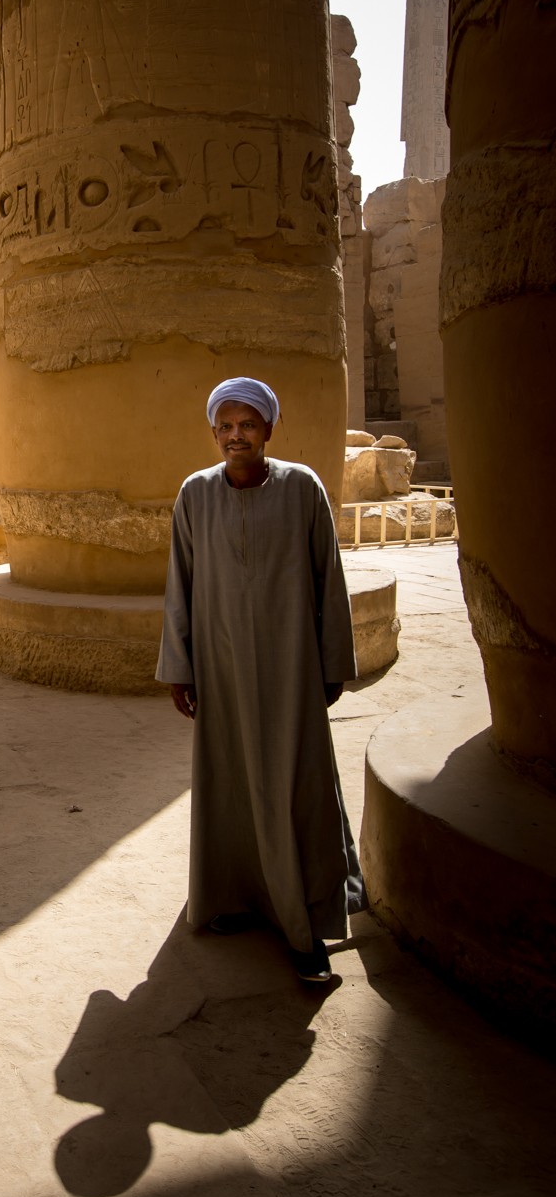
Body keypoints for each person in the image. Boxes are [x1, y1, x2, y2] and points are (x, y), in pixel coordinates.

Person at [156, 376, 366, 983]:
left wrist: (331, 665)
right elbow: (181, 586)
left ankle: (305, 920)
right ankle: (233, 899)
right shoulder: (195, 495)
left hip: (292, 666)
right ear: (213, 432)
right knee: (231, 783)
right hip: (221, 670)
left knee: (293, 782)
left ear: (268, 430)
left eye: (247, 425)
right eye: (225, 426)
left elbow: (329, 579)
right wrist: (180, 667)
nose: (235, 436)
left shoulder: (303, 489)